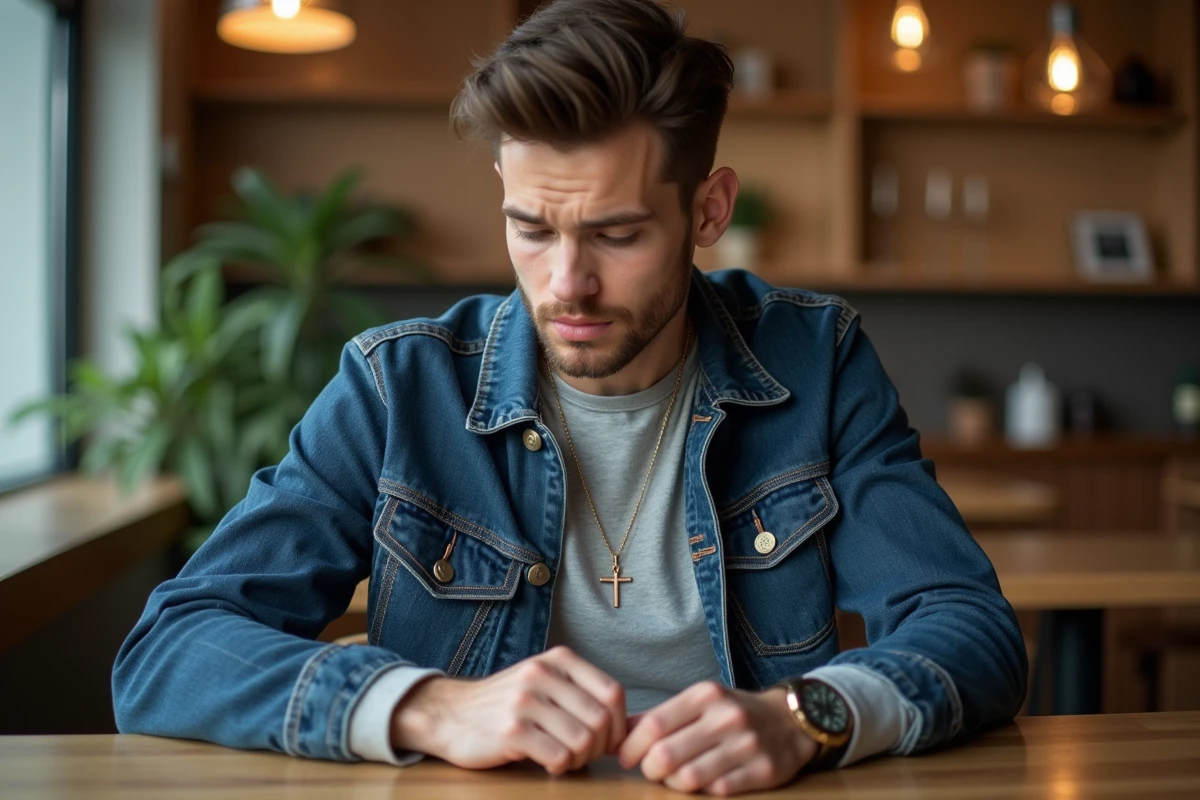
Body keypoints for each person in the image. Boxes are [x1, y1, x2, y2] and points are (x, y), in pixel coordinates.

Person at [113, 0, 1027, 794]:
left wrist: (806, 714)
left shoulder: (816, 363)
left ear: (708, 212)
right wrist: (428, 708)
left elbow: (973, 629)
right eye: (531, 229)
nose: (567, 285)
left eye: (616, 233)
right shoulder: (400, 386)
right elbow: (169, 651)